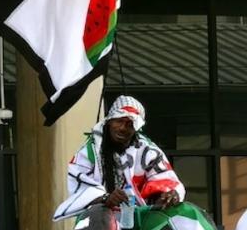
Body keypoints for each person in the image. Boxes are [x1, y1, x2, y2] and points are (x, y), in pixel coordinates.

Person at [54, 94, 185, 221]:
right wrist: (105, 198)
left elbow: (165, 180)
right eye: (119, 121)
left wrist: (169, 194)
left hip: (140, 221)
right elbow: (79, 188)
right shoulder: (89, 152)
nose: (123, 128)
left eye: (130, 124)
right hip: (98, 223)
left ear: (136, 129)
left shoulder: (148, 151)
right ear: (109, 121)